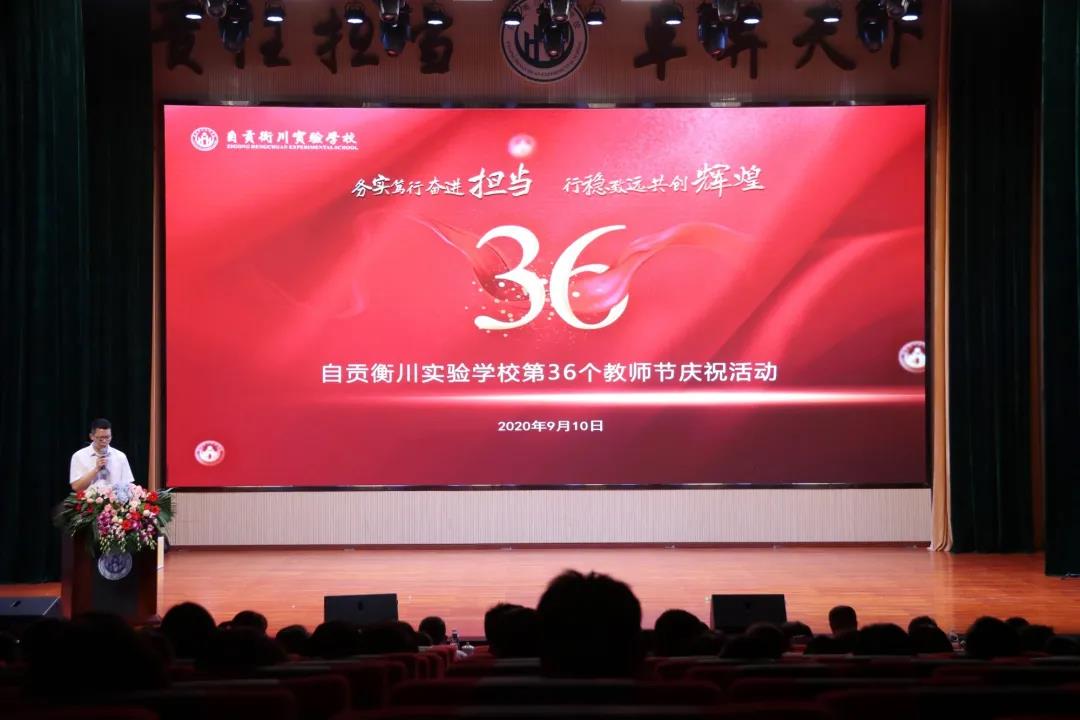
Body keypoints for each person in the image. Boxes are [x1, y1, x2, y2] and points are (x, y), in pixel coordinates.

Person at [69, 418, 135, 493]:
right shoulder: (78, 456)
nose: (104, 441)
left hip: (114, 500)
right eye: (100, 438)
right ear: (91, 436)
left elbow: (128, 486)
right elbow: (76, 487)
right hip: (87, 500)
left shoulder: (120, 456)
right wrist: (96, 469)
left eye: (107, 437)